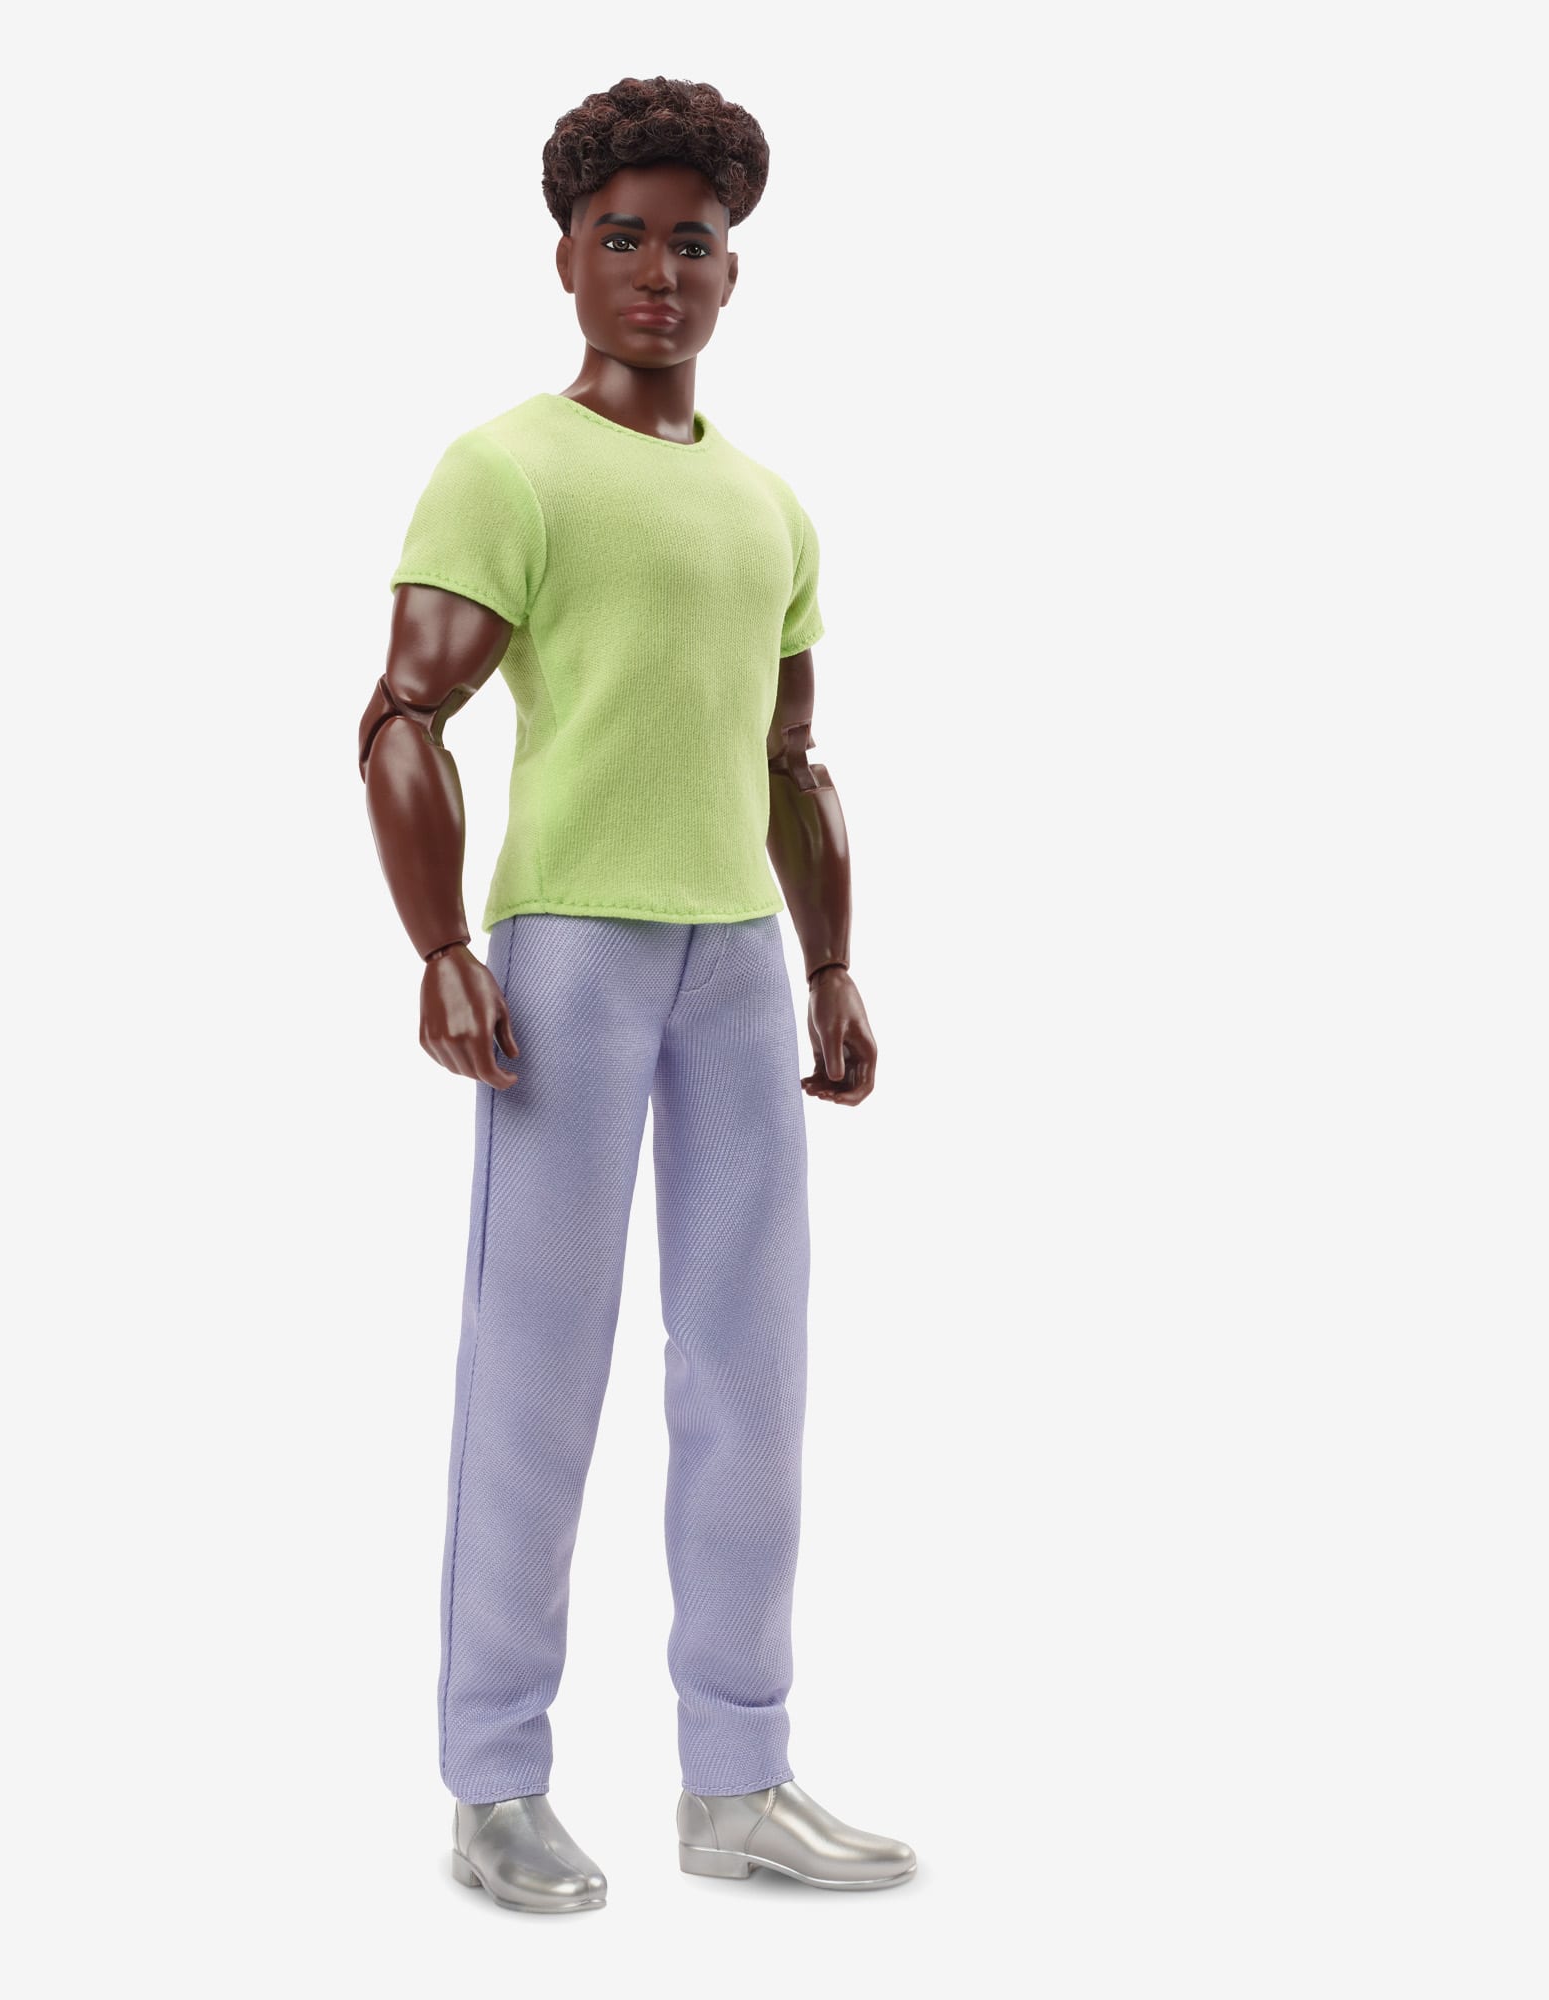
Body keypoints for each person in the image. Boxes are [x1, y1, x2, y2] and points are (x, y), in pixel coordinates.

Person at [358, 75, 916, 1912]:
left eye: (693, 241)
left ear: (734, 272)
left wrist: (830, 961)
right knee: (537, 1363)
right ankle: (495, 1779)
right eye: (625, 238)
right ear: (566, 261)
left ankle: (737, 1773)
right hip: (573, 959)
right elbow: (405, 712)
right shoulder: (508, 468)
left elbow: (790, 759)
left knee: (753, 1369)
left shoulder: (771, 507)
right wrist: (442, 944)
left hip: (738, 959)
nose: (660, 270)